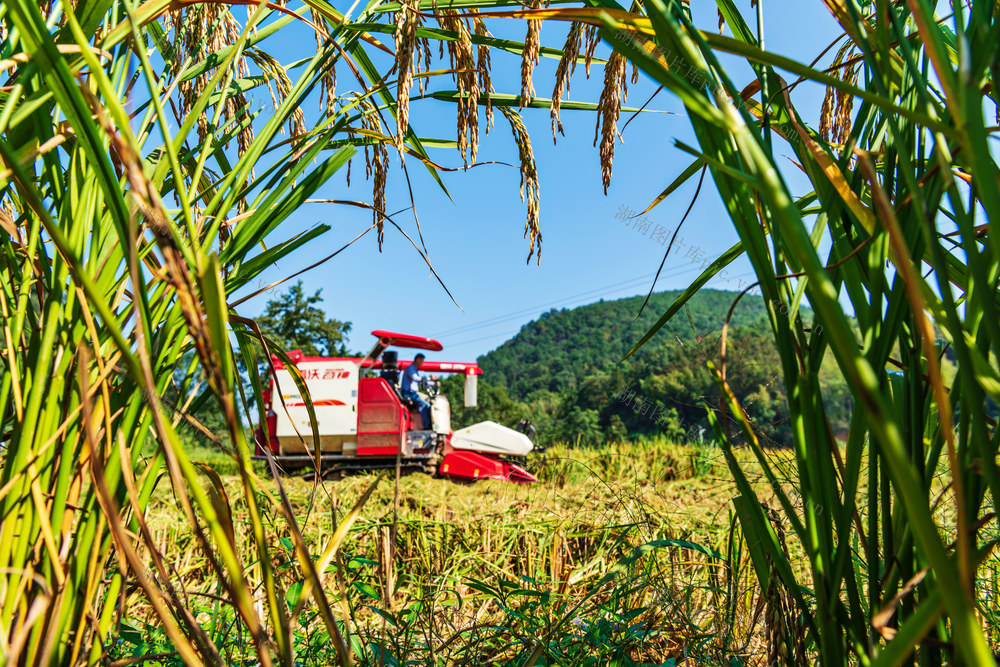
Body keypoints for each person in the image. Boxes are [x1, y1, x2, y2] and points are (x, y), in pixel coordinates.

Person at [400, 353, 434, 429]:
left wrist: (433, 383)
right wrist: (429, 378)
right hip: (409, 393)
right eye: (422, 361)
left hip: (412, 393)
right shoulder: (410, 369)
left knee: (427, 404)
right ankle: (426, 426)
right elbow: (415, 378)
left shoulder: (414, 369)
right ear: (418, 359)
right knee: (425, 405)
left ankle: (427, 425)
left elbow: (421, 381)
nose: (422, 363)